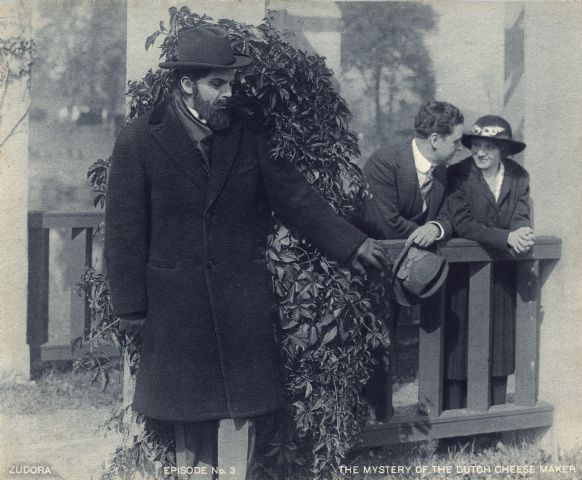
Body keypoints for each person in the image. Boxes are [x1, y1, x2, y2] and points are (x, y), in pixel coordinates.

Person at [104, 26, 388, 479]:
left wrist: (351, 244)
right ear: (186, 84)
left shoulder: (247, 134)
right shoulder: (139, 139)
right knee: (188, 414)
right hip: (176, 305)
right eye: (218, 83)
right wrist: (131, 307)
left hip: (240, 301)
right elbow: (123, 231)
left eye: (231, 83)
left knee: (242, 412)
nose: (228, 93)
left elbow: (294, 197)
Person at [361, 100, 464, 421]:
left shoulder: (443, 173)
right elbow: (386, 223)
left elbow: (452, 215)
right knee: (372, 346)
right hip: (368, 270)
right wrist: (424, 233)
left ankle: (385, 421)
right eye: (456, 141)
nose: (459, 148)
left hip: (410, 268)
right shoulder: (386, 161)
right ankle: (369, 425)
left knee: (389, 344)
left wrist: (436, 228)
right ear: (435, 139)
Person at [444, 115, 533, 409]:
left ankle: (493, 425)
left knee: (500, 345)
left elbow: (520, 214)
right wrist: (506, 238)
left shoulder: (519, 176)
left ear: (503, 151)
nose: (481, 152)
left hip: (502, 276)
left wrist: (520, 230)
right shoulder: (457, 174)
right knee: (460, 350)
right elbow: (463, 223)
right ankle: (455, 428)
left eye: (489, 147)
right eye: (477, 146)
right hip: (462, 277)